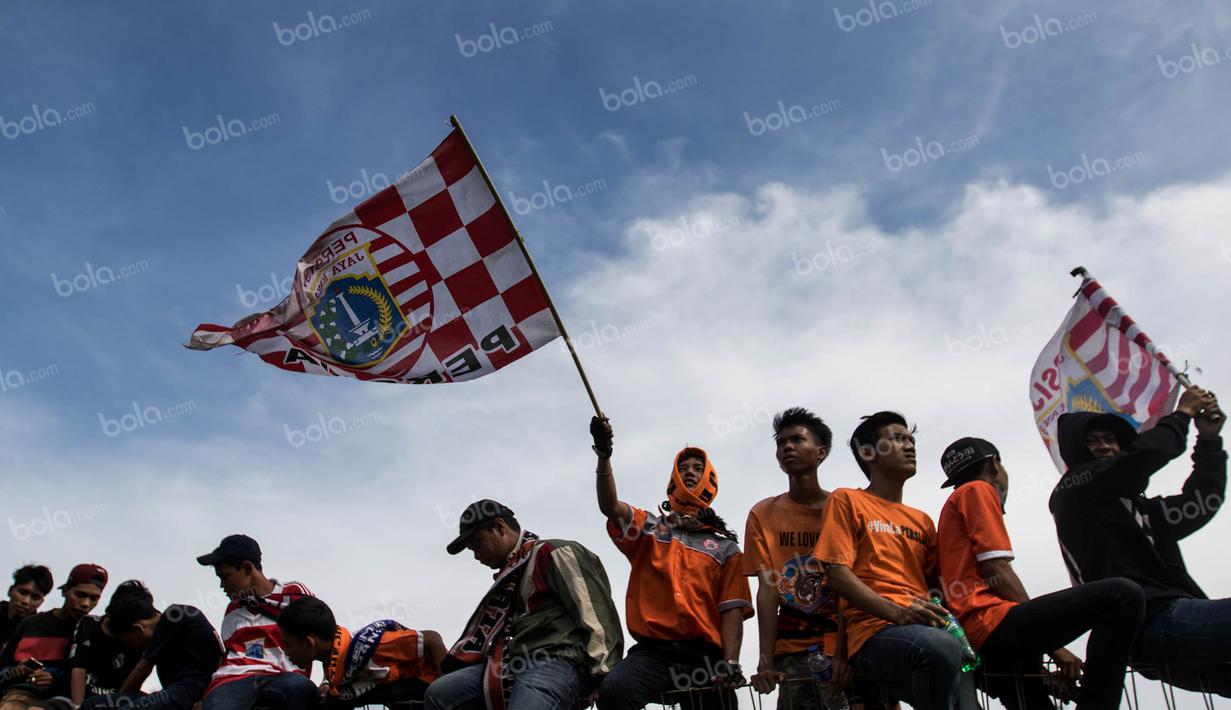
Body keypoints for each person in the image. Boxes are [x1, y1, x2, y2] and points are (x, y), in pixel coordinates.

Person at [937, 437, 1146, 709]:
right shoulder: (977, 489)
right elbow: (995, 568)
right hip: (989, 621)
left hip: (979, 641)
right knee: (1123, 596)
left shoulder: (951, 507)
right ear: (994, 465)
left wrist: (1043, 676)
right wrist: (1053, 647)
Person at [1050, 387, 1228, 696]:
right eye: (1092, 440)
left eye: (1111, 439)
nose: (1104, 446)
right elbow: (1141, 457)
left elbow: (1202, 501)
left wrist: (1209, 440)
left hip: (1170, 631)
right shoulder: (1073, 492)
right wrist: (1182, 414)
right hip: (1152, 621)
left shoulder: (1142, 511)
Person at [589, 416, 753, 710]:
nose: (689, 472)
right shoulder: (648, 529)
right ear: (673, 479)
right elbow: (610, 506)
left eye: (698, 468)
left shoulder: (726, 548)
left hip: (705, 658)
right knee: (614, 691)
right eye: (683, 468)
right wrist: (604, 455)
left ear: (709, 480)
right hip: (654, 654)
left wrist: (730, 662)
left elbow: (732, 610)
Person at [814, 411, 967, 710]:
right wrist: (896, 615)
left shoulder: (923, 521)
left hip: (924, 630)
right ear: (867, 452)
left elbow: (937, 587)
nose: (909, 446)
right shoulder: (846, 500)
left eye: (911, 440)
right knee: (939, 648)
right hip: (873, 632)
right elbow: (838, 575)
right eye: (898, 439)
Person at [423, 499, 623, 710]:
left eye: (478, 543)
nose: (476, 556)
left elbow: (595, 613)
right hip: (509, 662)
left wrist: (603, 674)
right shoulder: (509, 576)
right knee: (439, 694)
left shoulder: (554, 551)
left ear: (500, 526)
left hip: (556, 658)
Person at [743, 407, 851, 708]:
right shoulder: (763, 514)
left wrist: (844, 651)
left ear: (821, 452)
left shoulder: (843, 509)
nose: (787, 447)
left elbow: (852, 584)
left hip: (845, 644)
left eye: (797, 440)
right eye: (781, 442)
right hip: (793, 647)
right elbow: (767, 591)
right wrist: (765, 660)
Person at [195, 534, 317, 710]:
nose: (221, 585)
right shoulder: (232, 611)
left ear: (247, 568)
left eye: (225, 577)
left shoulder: (295, 593)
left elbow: (323, 634)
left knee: (303, 689)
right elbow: (228, 655)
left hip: (285, 676)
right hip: (234, 678)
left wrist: (328, 680)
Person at [277, 596, 444, 707]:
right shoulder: (333, 660)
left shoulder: (373, 647)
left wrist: (447, 691)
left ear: (309, 643)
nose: (284, 650)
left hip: (428, 686)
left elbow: (432, 639)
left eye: (288, 644)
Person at [81, 590, 223, 709]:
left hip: (192, 691)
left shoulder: (174, 615)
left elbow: (141, 670)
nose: (133, 647)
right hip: (172, 693)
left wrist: (118, 701)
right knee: (91, 705)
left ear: (138, 628)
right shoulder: (166, 633)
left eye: (130, 642)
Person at [0, 564, 107, 710]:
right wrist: (18, 671)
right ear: (65, 591)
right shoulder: (31, 623)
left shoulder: (92, 632)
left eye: (94, 598)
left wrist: (55, 679)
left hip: (65, 700)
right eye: (80, 595)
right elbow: (3, 666)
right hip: (21, 693)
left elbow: (95, 680)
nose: (85, 604)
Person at [34, 581, 155, 710]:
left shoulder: (142, 636)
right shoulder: (89, 624)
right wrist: (78, 706)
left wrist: (116, 703)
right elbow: (78, 668)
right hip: (75, 699)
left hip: (114, 701)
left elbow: (139, 673)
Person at [1, 567, 53, 648]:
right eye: (22, 592)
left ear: (41, 602)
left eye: (35, 597)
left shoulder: (40, 633)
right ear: (10, 590)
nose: (26, 601)